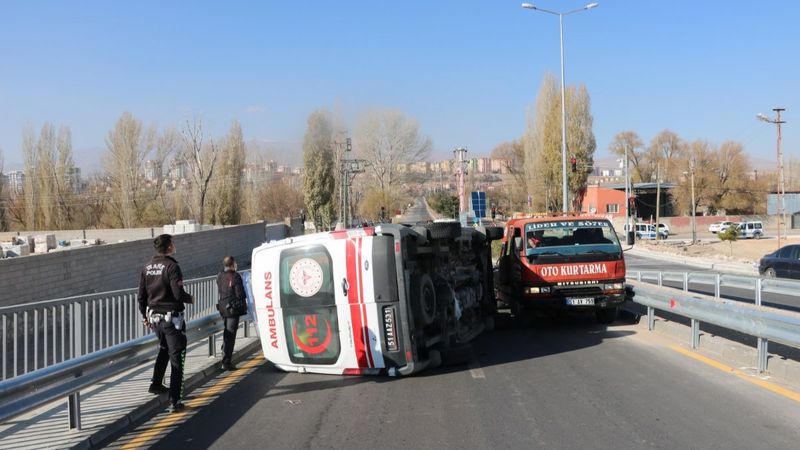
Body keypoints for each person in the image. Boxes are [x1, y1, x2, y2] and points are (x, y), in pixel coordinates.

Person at [138, 234, 194, 413]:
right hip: (172, 320)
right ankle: (175, 400)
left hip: (155, 320)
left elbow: (141, 296)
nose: (174, 246)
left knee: (163, 349)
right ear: (169, 247)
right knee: (177, 358)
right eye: (173, 243)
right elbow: (178, 294)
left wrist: (144, 316)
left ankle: (156, 384)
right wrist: (190, 298)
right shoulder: (172, 266)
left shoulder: (146, 267)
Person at [216, 256, 246, 371]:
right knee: (230, 335)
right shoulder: (236, 276)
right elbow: (240, 294)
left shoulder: (219, 275)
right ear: (233, 264)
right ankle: (226, 362)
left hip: (223, 308)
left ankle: (225, 352)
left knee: (227, 332)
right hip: (232, 309)